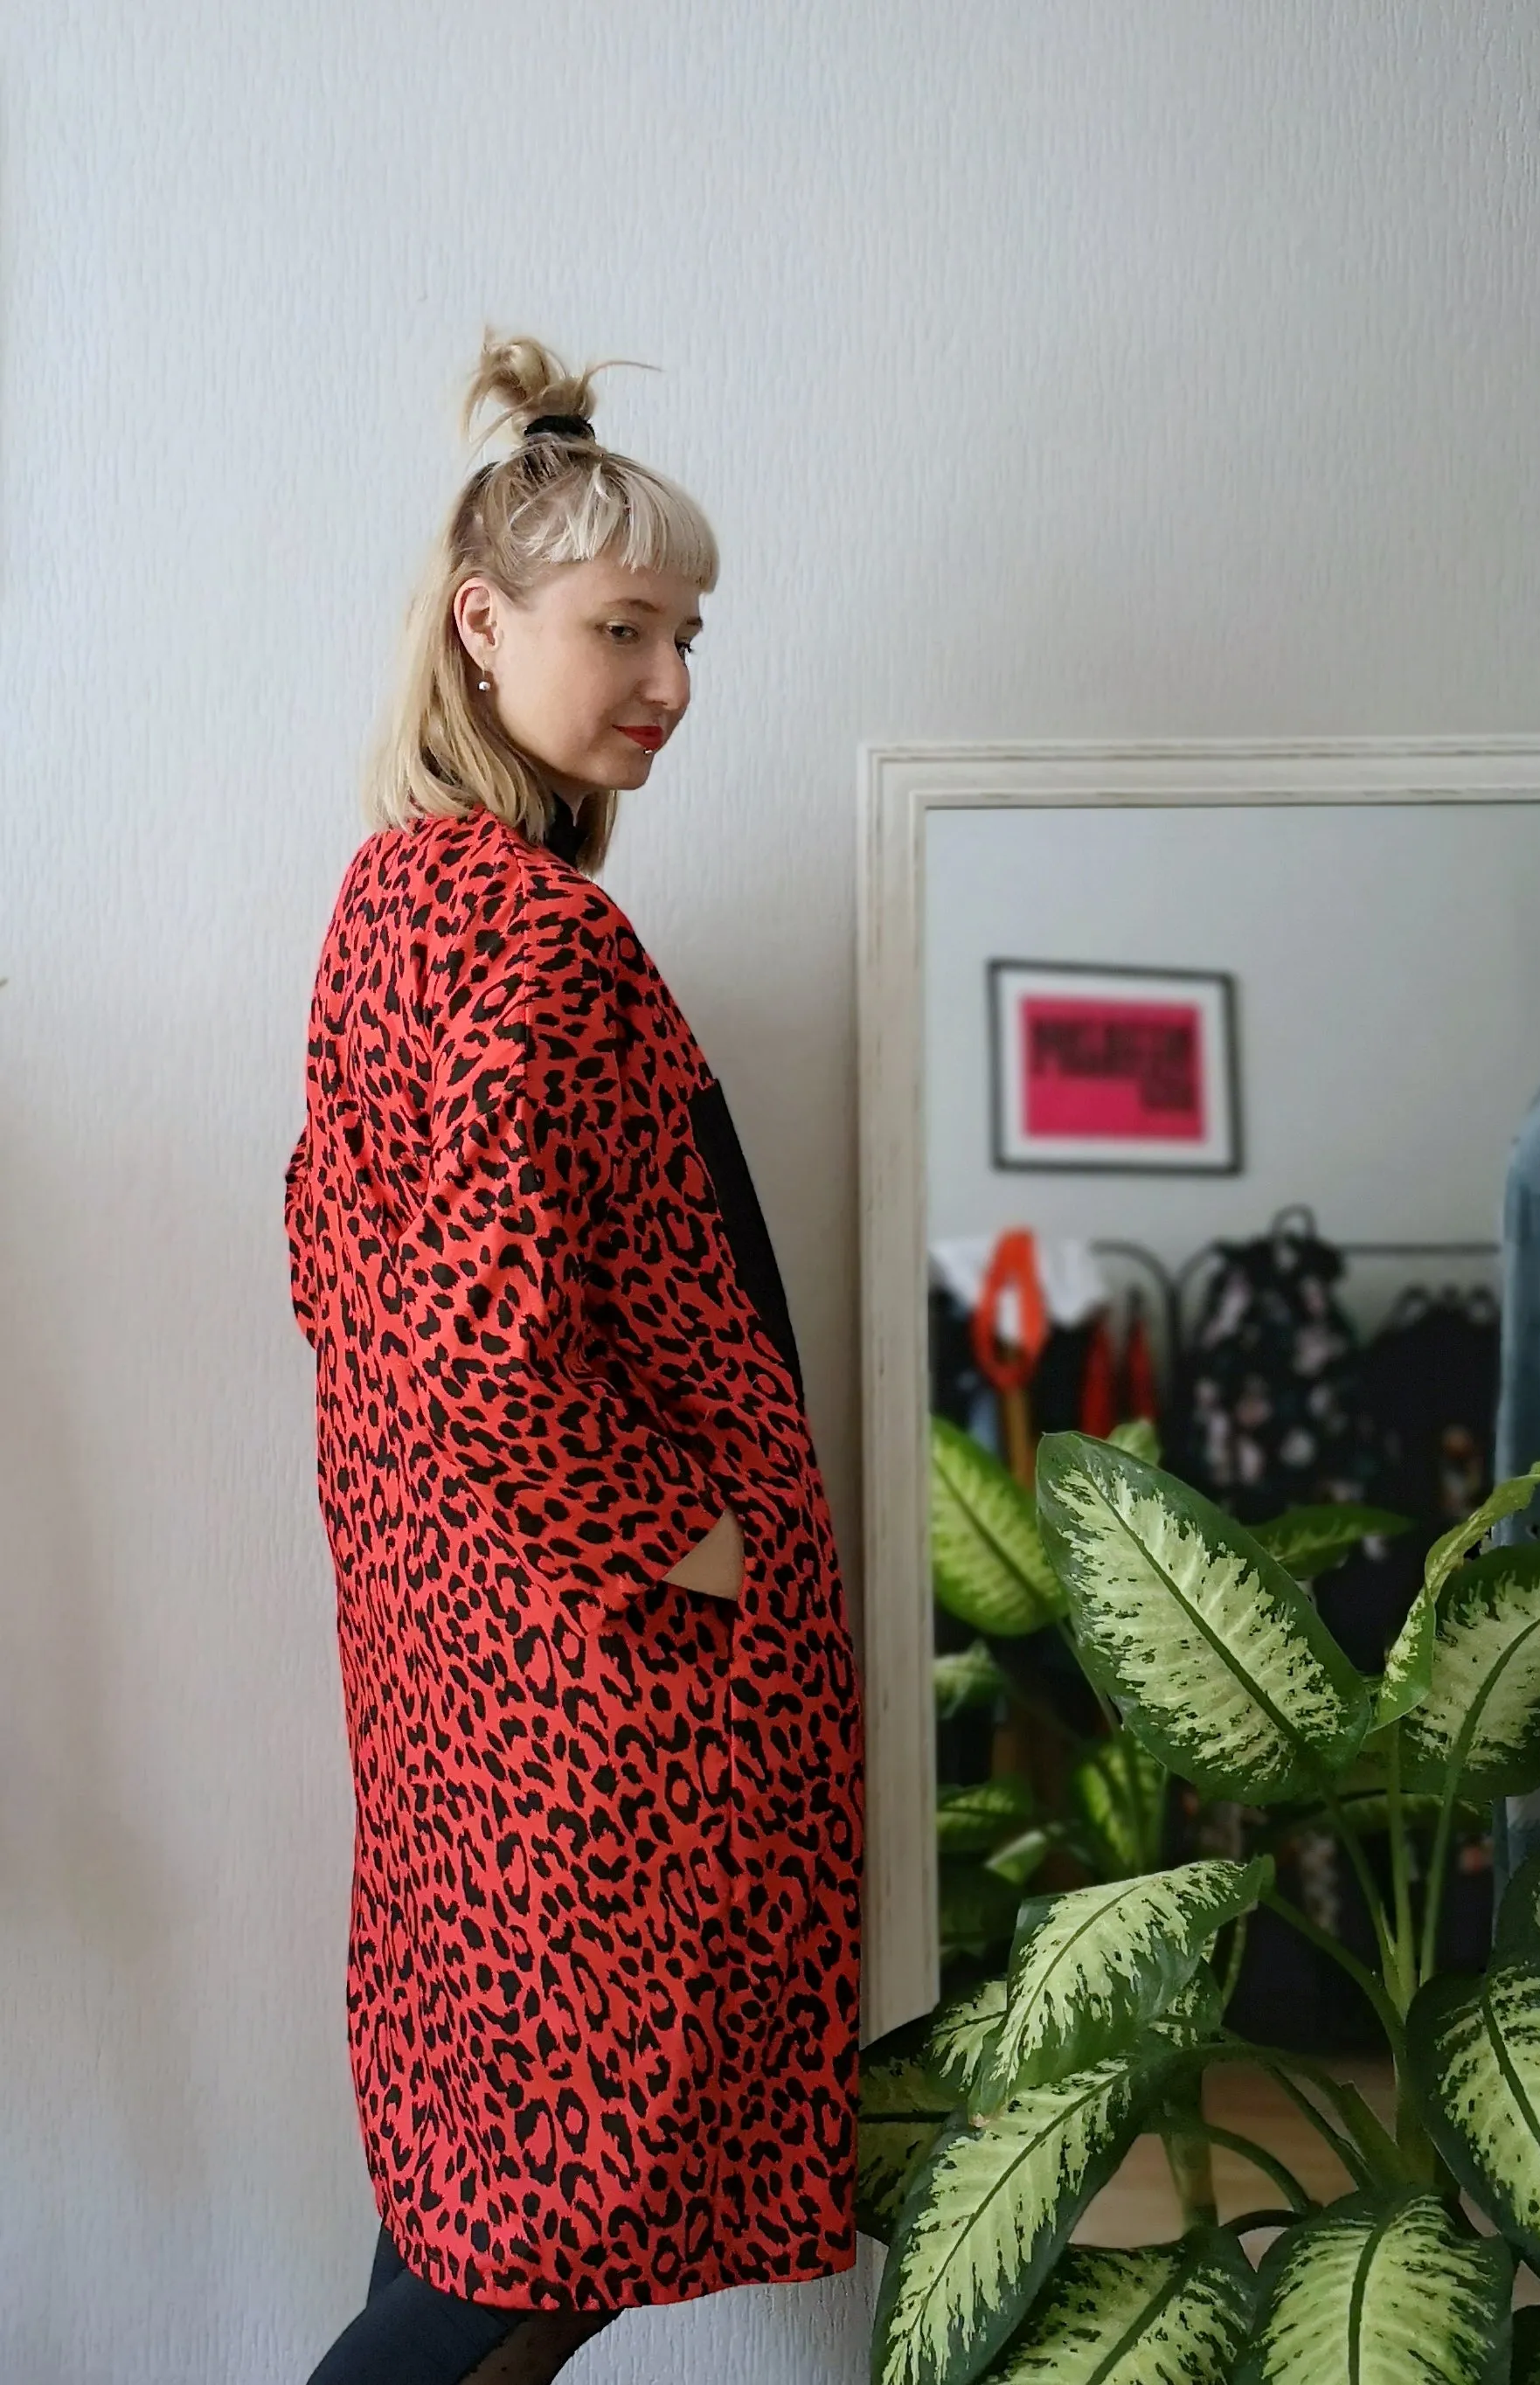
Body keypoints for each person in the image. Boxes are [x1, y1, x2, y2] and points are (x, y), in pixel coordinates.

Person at [284, 334, 864, 2384]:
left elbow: (348, 1283)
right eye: (624, 626)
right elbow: (475, 1352)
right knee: (541, 2232)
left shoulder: (403, 902)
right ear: (482, 623)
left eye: (687, 631)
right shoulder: (527, 932)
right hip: (601, 1723)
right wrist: (692, 1549)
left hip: (480, 1697)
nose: (674, 680)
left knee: (478, 2192)